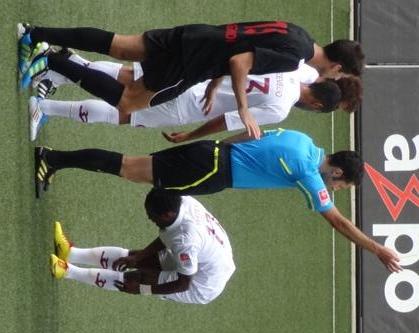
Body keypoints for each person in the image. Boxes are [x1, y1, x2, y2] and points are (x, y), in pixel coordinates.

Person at [35, 128, 401, 273]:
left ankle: (56, 162)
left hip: (211, 153)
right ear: (336, 172)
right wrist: (377, 249)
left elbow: (252, 132)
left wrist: (216, 148)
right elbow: (337, 221)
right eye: (341, 186)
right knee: (129, 170)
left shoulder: (303, 140)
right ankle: (53, 160)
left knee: (130, 167)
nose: (335, 190)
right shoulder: (308, 171)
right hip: (214, 171)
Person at [18, 20, 365, 139]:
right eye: (340, 72)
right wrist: (244, 109)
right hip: (194, 63)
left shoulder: (299, 34)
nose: (334, 77)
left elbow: (240, 46)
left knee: (120, 46)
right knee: (127, 103)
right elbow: (241, 61)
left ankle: (35, 35)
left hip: (200, 36)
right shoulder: (294, 59)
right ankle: (55, 61)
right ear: (337, 65)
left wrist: (215, 84)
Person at [50, 190, 235, 305]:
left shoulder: (186, 241)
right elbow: (169, 235)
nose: (149, 218)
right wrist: (138, 257)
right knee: (137, 258)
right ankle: (71, 254)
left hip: (202, 283)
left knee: (138, 279)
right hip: (205, 255)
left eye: (153, 216)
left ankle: (67, 271)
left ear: (167, 214)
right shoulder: (182, 201)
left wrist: (142, 289)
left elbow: (183, 283)